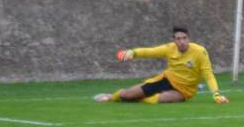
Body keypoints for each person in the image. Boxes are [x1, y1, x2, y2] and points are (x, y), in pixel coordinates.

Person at [94, 26, 228, 104]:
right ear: (174, 40)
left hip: (185, 91)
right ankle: (112, 97)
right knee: (127, 95)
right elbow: (149, 52)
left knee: (157, 100)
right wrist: (132, 52)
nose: (182, 41)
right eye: (178, 39)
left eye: (184, 38)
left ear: (189, 39)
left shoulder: (200, 51)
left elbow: (208, 74)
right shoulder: (170, 48)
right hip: (166, 80)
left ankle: (138, 99)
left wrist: (216, 94)